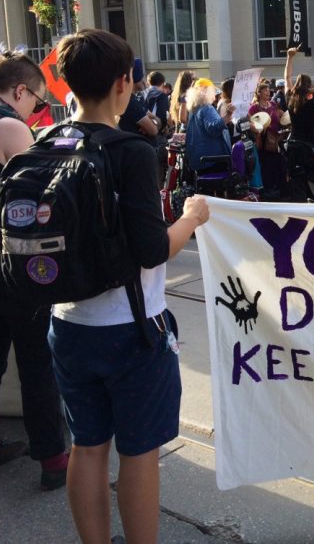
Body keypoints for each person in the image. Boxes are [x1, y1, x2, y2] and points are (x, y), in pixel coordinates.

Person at [51, 28, 209, 544]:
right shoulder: (131, 151)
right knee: (139, 452)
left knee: (87, 446)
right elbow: (151, 249)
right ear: (125, 85)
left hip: (67, 322)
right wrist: (190, 218)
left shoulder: (46, 142)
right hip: (131, 327)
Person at [0, 51, 68, 491]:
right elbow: (45, 190)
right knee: (36, 362)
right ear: (19, 90)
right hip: (10, 266)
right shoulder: (8, 126)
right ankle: (52, 457)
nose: (37, 108)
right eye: (37, 99)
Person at [185, 78, 231, 174]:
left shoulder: (194, 109)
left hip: (200, 160)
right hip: (213, 159)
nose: (214, 93)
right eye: (212, 90)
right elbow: (213, 128)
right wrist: (228, 115)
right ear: (205, 91)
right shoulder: (207, 108)